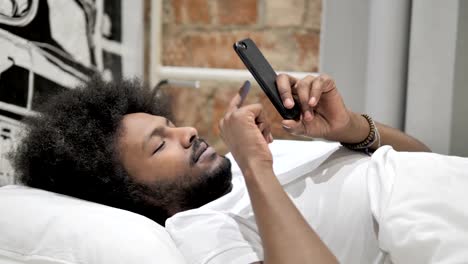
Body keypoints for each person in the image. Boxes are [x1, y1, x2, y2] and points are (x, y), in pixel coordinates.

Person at [10, 74, 467, 263]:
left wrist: (349, 128)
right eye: (159, 146)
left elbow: (424, 162)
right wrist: (255, 166)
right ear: (133, 192)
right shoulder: (200, 232)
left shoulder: (255, 160)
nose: (186, 131)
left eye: (169, 124)